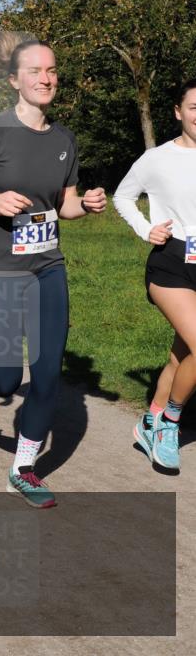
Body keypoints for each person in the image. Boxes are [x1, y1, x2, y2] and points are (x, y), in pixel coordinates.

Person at [0, 30, 106, 509]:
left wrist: (87, 204)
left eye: (51, 70)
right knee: (9, 378)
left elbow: (64, 205)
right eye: (35, 70)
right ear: (15, 80)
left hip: (47, 267)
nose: (46, 78)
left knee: (48, 374)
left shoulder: (63, 139)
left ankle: (24, 468)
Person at [113, 78, 196, 473]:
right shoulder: (157, 158)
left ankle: (151, 418)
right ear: (178, 112)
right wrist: (146, 229)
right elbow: (123, 196)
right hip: (172, 263)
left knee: (182, 353)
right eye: (194, 107)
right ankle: (170, 424)